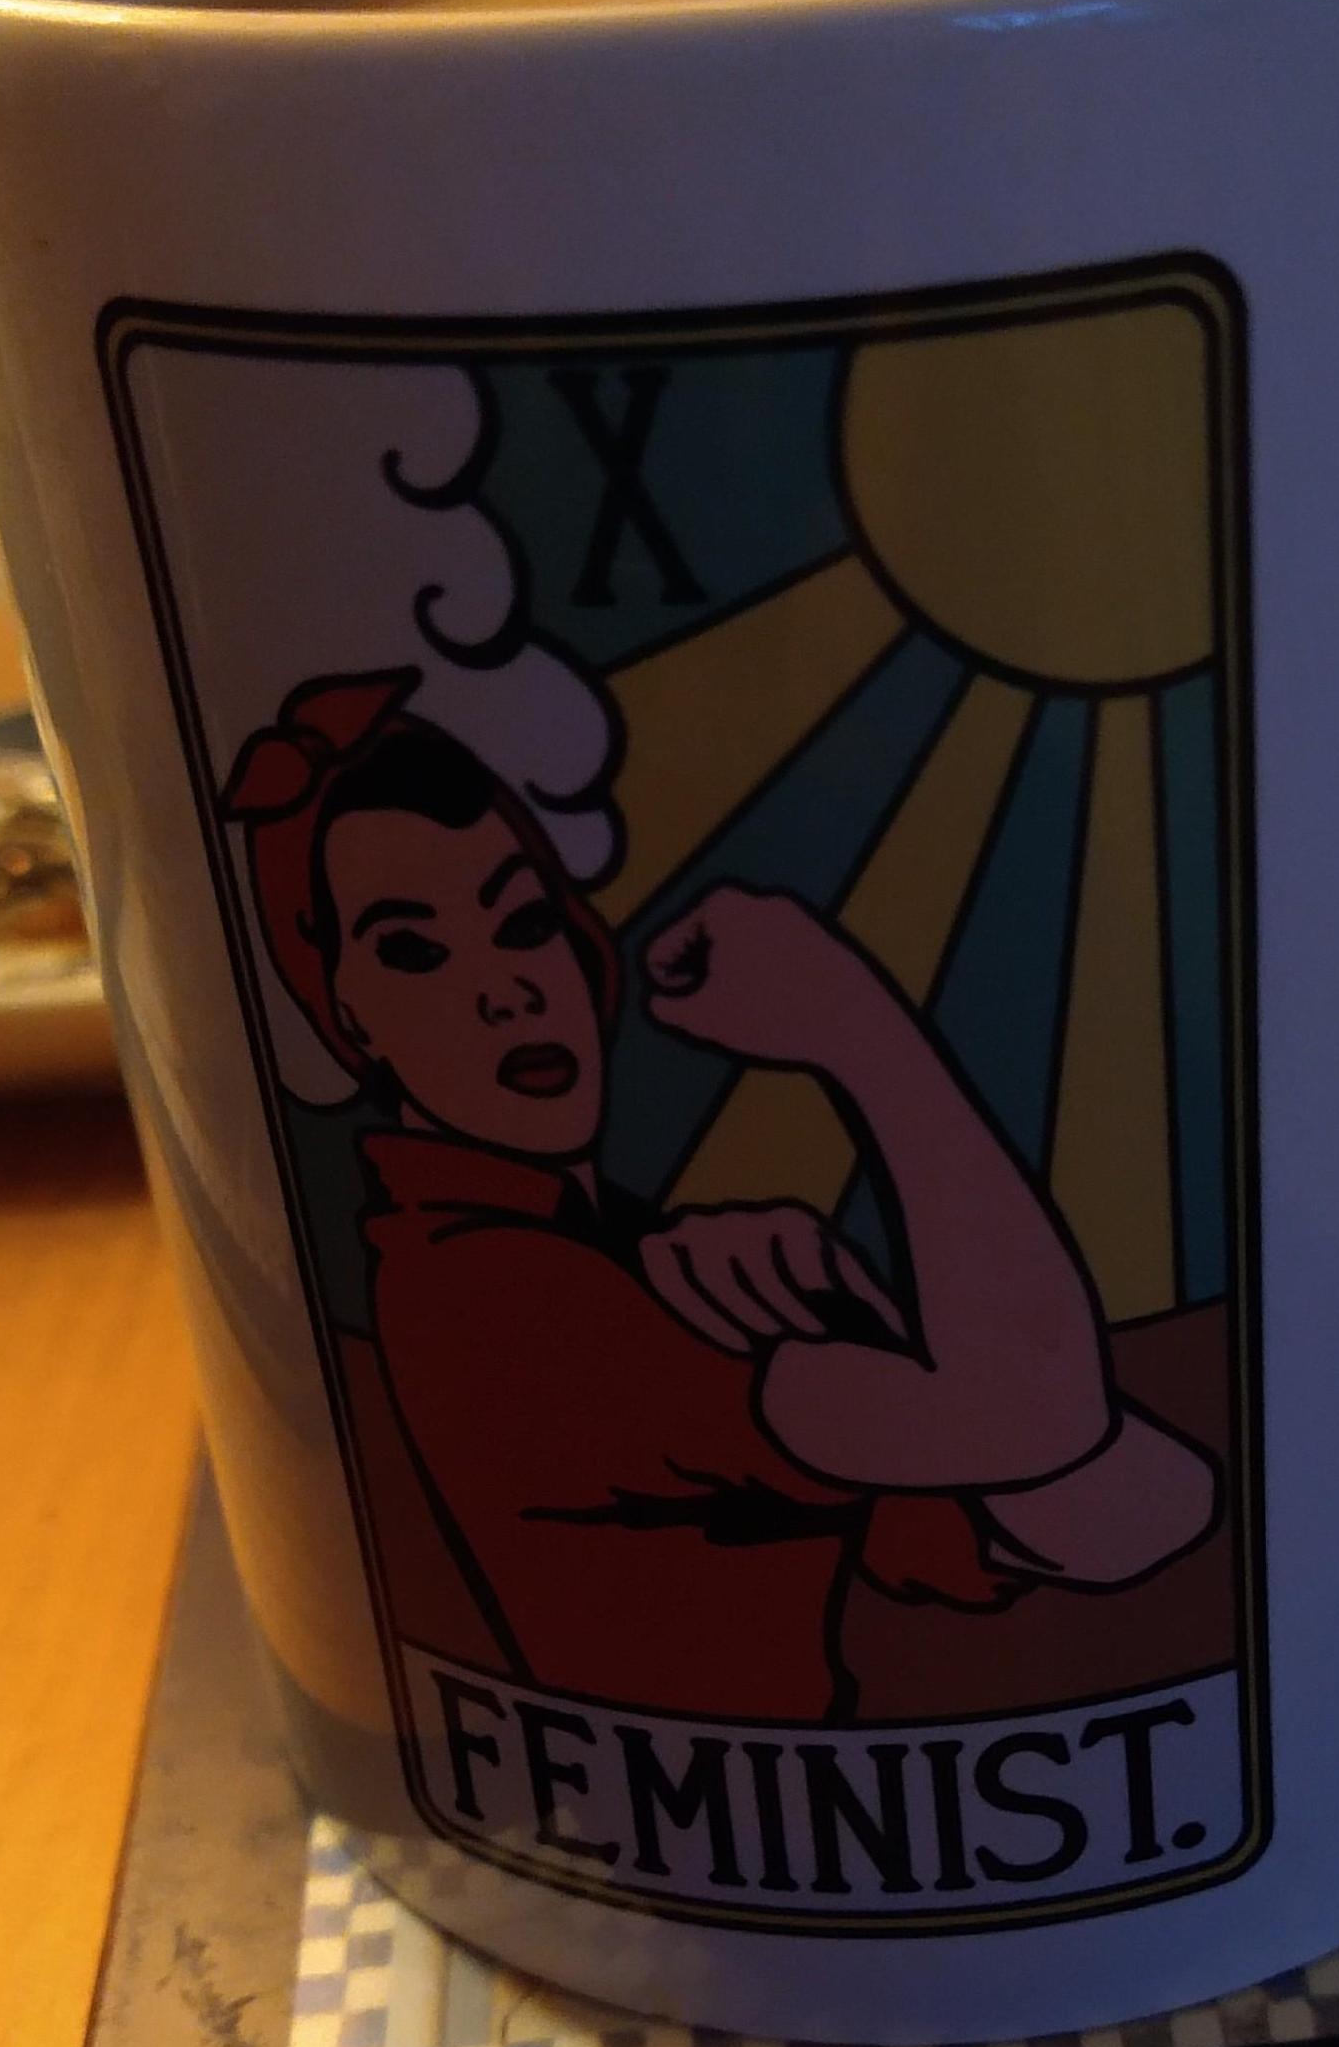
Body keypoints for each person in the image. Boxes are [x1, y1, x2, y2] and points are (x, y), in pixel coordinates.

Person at [222, 669, 1217, 1723]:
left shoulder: (619, 1256)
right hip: (632, 1819)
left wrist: (856, 1331)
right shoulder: (495, 1296)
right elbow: (1033, 1419)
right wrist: (859, 1033)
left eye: (523, 923)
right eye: (415, 952)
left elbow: (1130, 1518)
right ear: (346, 1016)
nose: (504, 989)